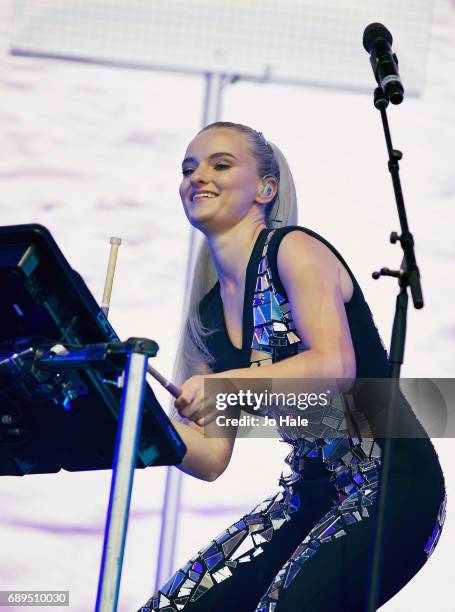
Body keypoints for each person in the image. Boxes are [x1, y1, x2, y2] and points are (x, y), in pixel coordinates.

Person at [137, 122, 447, 611]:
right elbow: (211, 457)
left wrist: (225, 385)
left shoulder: (294, 249)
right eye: (188, 169)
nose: (197, 177)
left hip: (393, 484)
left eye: (220, 164)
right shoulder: (208, 315)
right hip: (311, 495)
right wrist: (131, 418)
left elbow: (334, 366)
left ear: (266, 188)